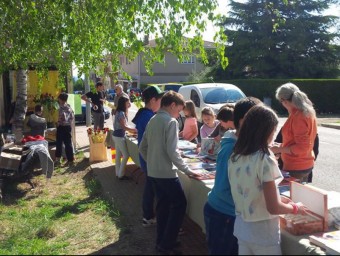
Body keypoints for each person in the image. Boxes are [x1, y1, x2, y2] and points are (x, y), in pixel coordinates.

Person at [228, 105, 308, 255]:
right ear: (267, 131)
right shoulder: (264, 159)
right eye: (275, 130)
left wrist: (280, 199)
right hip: (263, 233)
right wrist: (296, 208)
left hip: (242, 228)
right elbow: (273, 208)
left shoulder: (235, 156)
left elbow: (251, 191)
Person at [139, 91, 200, 254]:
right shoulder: (170, 122)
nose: (179, 113)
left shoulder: (153, 119)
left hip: (154, 173)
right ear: (172, 105)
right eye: (179, 110)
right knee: (180, 205)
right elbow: (172, 152)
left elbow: (142, 148)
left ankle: (162, 242)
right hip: (166, 174)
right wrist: (187, 170)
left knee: (163, 207)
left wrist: (152, 162)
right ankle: (167, 243)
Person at [203, 96, 261, 255]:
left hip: (229, 214)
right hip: (224, 215)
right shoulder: (232, 149)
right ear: (243, 121)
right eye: (259, 121)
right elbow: (223, 189)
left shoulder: (242, 144)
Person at [270, 83, 317, 182]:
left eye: (281, 102)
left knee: (293, 196)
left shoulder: (298, 117)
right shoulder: (304, 112)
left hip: (296, 167)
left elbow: (302, 147)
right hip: (304, 163)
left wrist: (279, 149)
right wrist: (281, 146)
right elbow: (298, 142)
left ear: (284, 101)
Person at [132, 85, 165, 227]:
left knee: (150, 188)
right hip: (150, 158)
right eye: (160, 100)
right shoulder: (148, 117)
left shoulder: (144, 114)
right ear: (153, 100)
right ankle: (150, 216)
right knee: (154, 190)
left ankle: (148, 216)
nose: (161, 104)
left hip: (147, 158)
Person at [112, 95, 137, 180]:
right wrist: (134, 130)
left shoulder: (119, 111)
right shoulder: (121, 113)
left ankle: (117, 173)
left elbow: (124, 126)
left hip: (116, 135)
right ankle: (121, 175)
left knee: (118, 155)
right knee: (126, 155)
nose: (129, 104)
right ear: (124, 103)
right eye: (127, 102)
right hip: (119, 136)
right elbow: (124, 127)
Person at [55, 92, 75, 166]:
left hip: (61, 127)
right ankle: (70, 160)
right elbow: (72, 117)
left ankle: (58, 160)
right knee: (68, 143)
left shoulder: (59, 107)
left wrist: (57, 123)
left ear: (60, 99)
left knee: (59, 143)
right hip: (68, 127)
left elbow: (59, 118)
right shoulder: (69, 107)